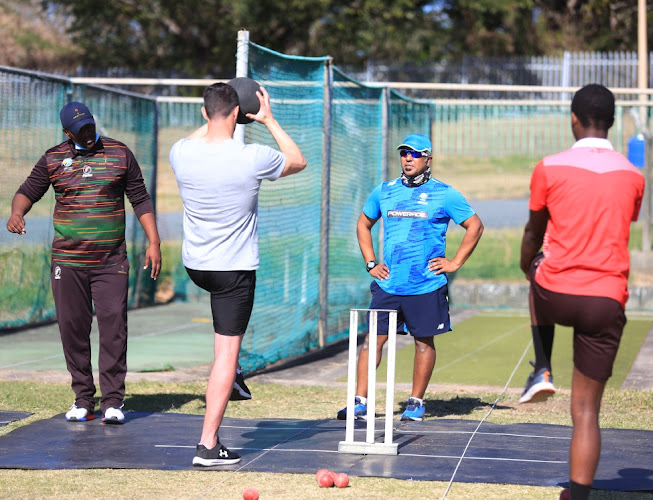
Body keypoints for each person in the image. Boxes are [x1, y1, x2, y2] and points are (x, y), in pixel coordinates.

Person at [170, 82, 306, 466]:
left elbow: (205, 128)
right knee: (226, 354)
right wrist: (268, 120)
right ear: (239, 115)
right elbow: (297, 160)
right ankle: (208, 445)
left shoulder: (180, 153)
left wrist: (220, 106)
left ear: (203, 113)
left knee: (224, 350)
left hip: (197, 266)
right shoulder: (252, 156)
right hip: (232, 270)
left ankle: (232, 372)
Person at [518, 84, 644, 500]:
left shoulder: (549, 167)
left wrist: (527, 267)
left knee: (536, 267)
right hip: (606, 299)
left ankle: (542, 368)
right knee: (587, 411)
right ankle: (579, 496)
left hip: (555, 291)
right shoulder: (633, 175)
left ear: (573, 119)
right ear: (611, 122)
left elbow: (533, 231)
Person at [6, 101, 162, 424]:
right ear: (67, 133)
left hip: (111, 261)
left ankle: (114, 402)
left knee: (114, 326)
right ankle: (83, 399)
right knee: (73, 329)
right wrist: (16, 213)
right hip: (68, 262)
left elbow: (140, 198)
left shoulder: (120, 154)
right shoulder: (53, 159)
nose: (88, 135)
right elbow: (27, 192)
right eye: (80, 131)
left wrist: (154, 241)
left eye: (90, 127)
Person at [337, 133, 484, 422]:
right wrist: (370, 263)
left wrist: (455, 262)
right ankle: (360, 402)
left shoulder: (445, 194)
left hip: (426, 285)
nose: (408, 158)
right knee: (371, 342)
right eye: (404, 153)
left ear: (428, 159)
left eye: (415, 154)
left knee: (423, 343)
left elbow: (475, 226)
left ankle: (416, 403)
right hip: (389, 285)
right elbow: (364, 224)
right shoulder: (384, 191)